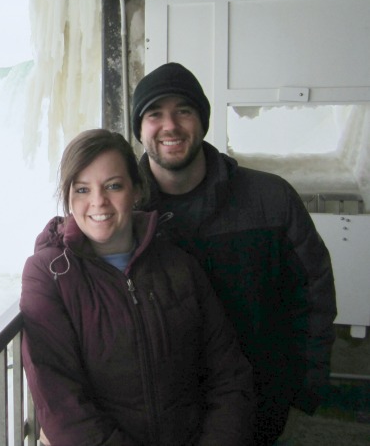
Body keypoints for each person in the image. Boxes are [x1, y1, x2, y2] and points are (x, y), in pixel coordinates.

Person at [131, 62, 337, 445]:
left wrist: (302, 394)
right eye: (154, 114)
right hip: (164, 421)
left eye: (183, 111)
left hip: (264, 409)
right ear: (139, 129)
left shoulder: (271, 200)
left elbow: (314, 298)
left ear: (203, 120)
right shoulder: (125, 215)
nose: (170, 125)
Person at [20, 128, 254, 445]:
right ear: (68, 197)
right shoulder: (49, 274)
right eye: (82, 189)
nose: (98, 202)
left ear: (136, 189)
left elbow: (228, 375)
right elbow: (61, 404)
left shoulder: (179, 265)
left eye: (113, 186)